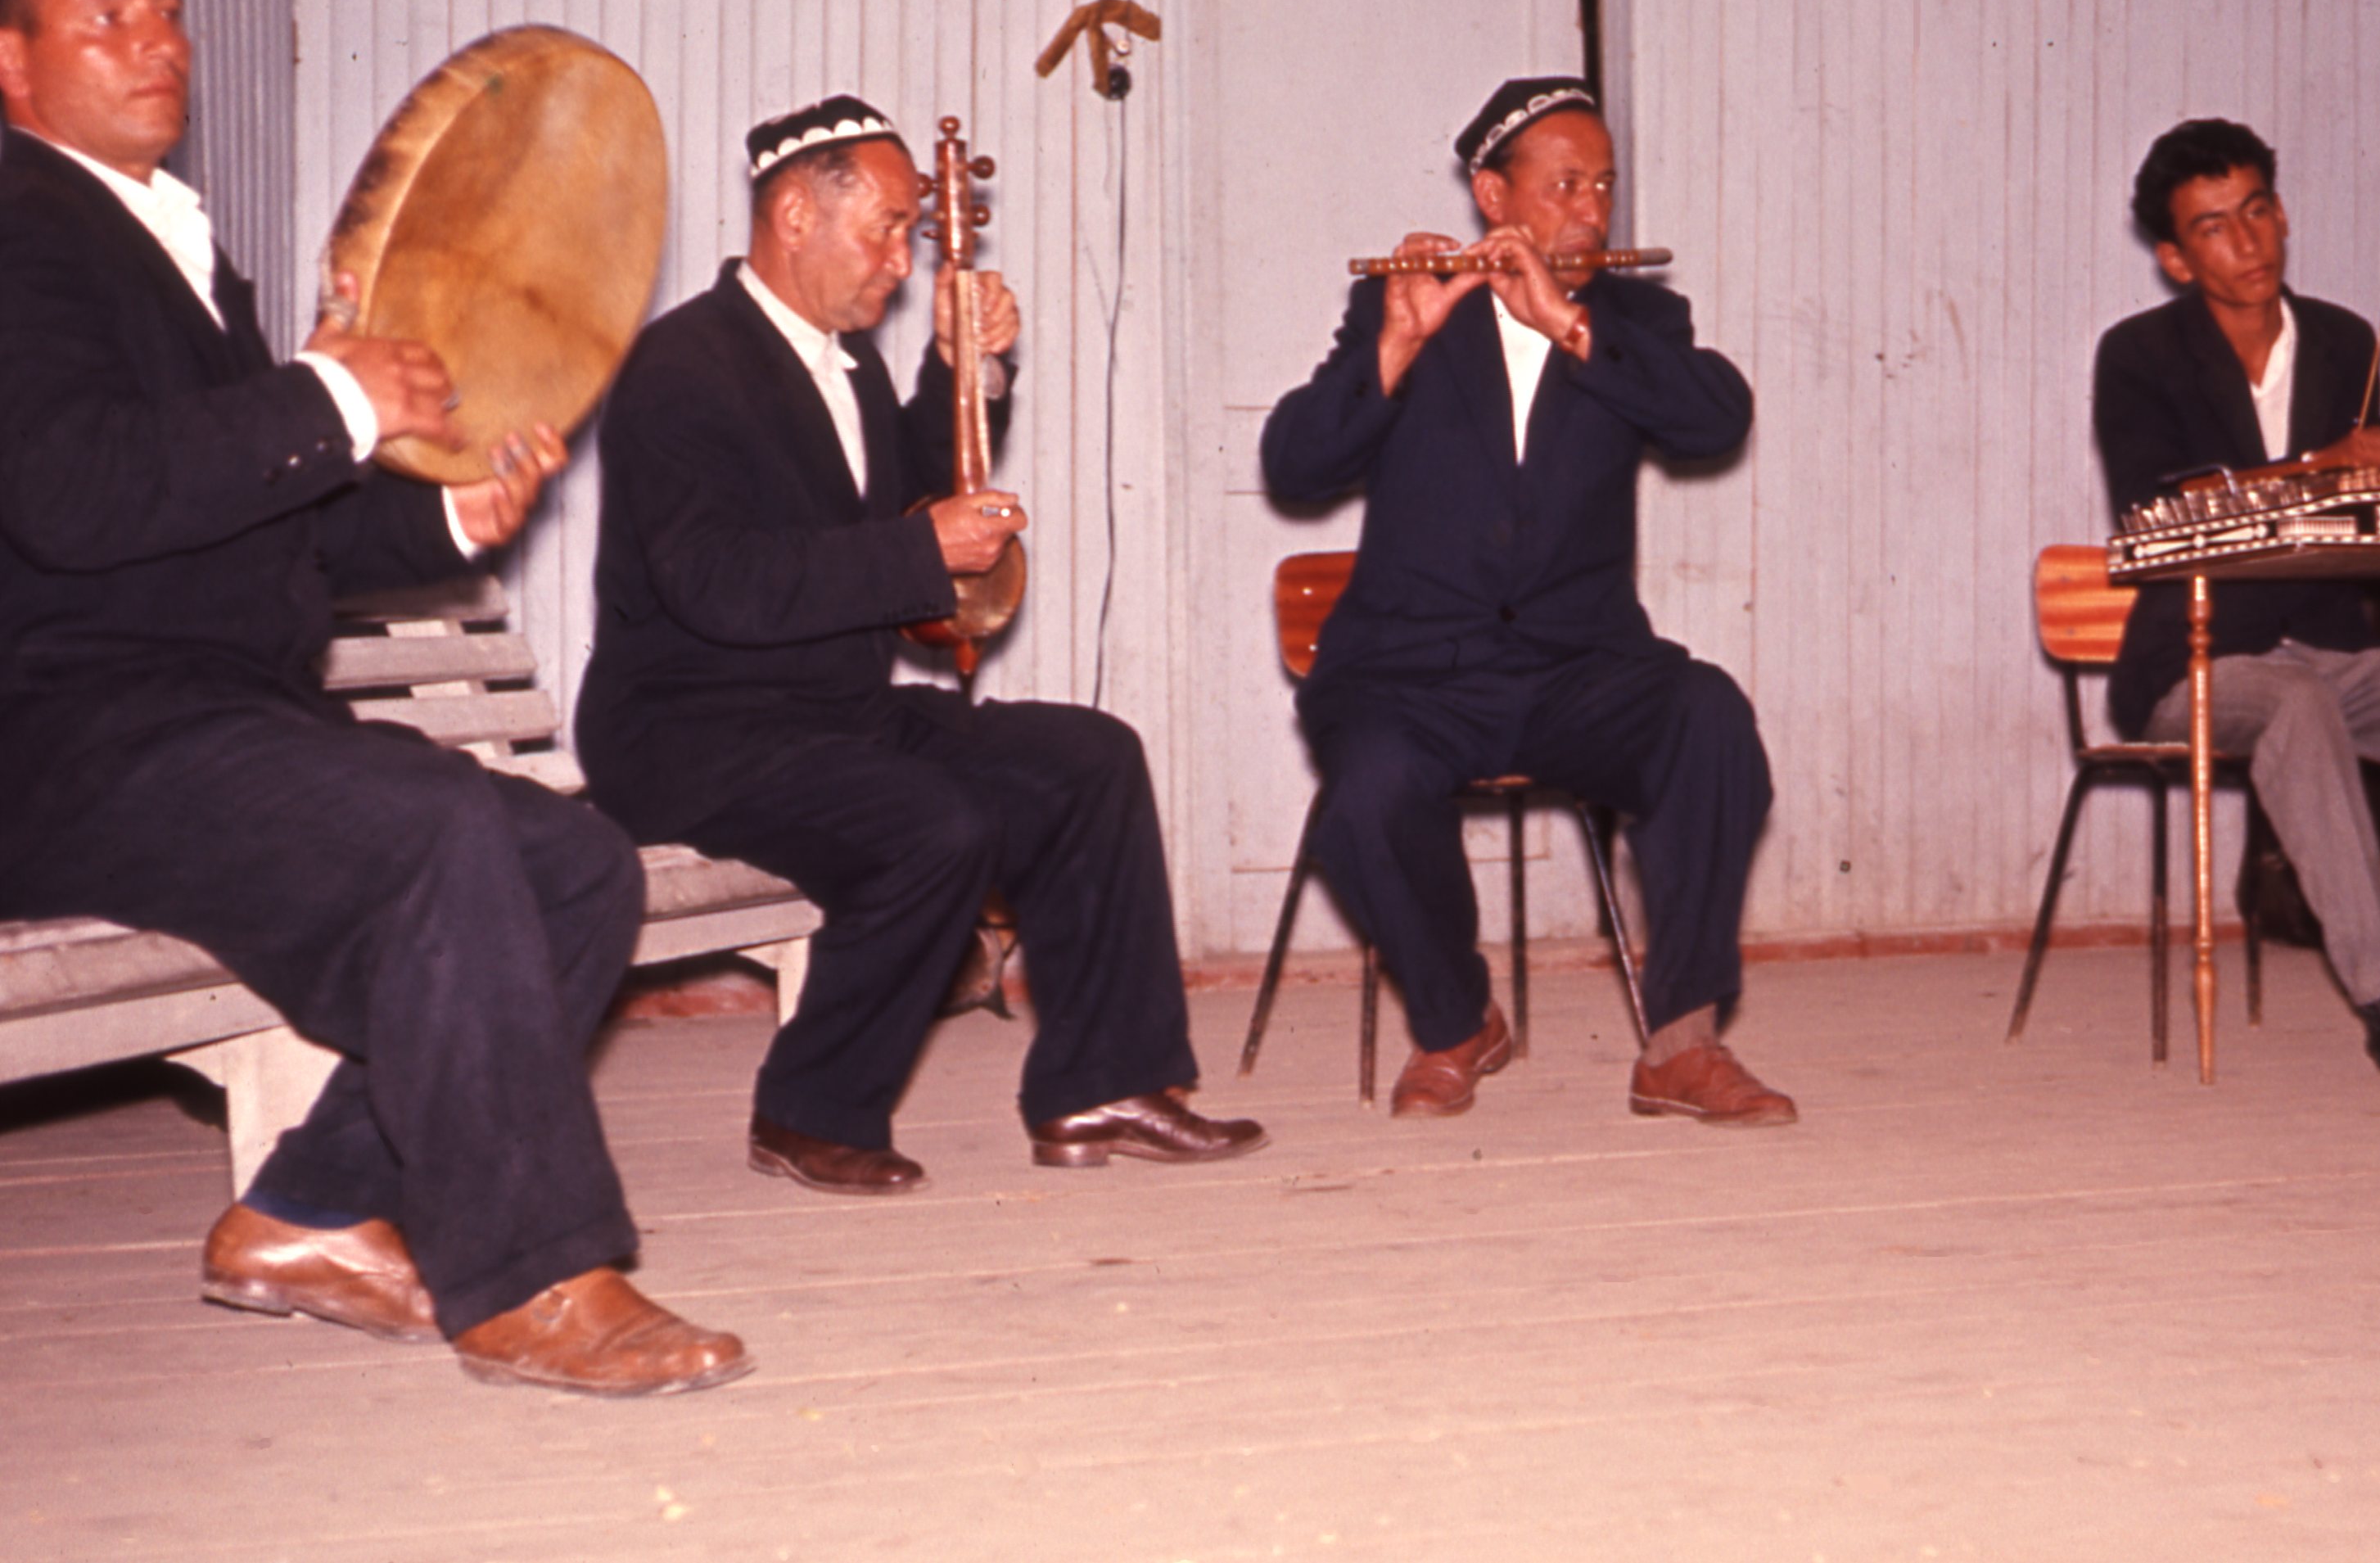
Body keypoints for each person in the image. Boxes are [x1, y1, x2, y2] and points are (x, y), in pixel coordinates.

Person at [0, 0, 747, 1394]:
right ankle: (531, 1277)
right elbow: (72, 492)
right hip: (70, 740)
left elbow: (263, 534)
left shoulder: (167, 240)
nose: (158, 44)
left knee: (575, 864)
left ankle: (313, 1208)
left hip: (208, 728)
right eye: (107, 19)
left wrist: (452, 513)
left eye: (168, 10)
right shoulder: (18, 221)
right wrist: (333, 398)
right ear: (11, 64)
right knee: (430, 831)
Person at [576, 96, 1263, 1190]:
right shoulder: (682, 367)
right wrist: (918, 549)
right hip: (690, 732)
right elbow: (717, 582)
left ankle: (1105, 1084)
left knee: (1090, 759)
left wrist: (964, 369)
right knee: (932, 824)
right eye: (888, 229)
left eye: (909, 231)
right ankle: (810, 1112)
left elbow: (904, 497)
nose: (905, 261)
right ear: (795, 216)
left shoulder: (844, 364)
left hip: (829, 715)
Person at [1260, 76, 1795, 1126]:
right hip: (1413, 674)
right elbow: (1294, 463)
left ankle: (1682, 1043)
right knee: (1367, 788)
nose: (1591, 210)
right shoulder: (1405, 304)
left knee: (1708, 716)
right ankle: (1457, 1021)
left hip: (1579, 670)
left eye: (1604, 185)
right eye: (1563, 185)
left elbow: (1715, 419)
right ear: (1493, 196)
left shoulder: (1638, 318)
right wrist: (1397, 345)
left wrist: (1570, 325)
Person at [2092, 116, 2380, 1082]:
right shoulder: (2138, 352)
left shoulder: (2346, 340)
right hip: (2192, 665)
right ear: (2177, 259)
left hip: (2332, 650)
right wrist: (2320, 466)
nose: (2248, 240)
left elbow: (2374, 514)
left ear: (2283, 213)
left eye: (2258, 209)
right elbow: (2152, 508)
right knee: (2294, 701)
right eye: (2215, 226)